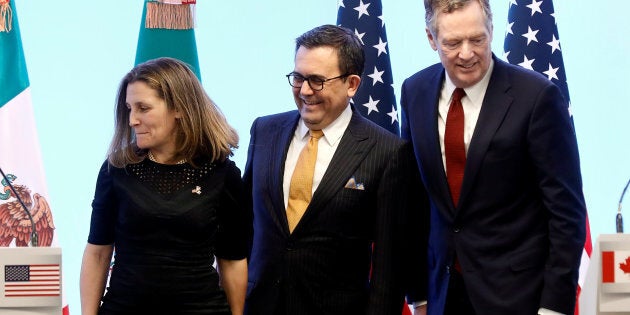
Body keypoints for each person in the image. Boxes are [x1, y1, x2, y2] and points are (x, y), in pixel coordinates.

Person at [400, 1, 587, 314]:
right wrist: (417, 293)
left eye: (477, 39)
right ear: (431, 39)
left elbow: (566, 213)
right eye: (452, 43)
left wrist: (554, 306)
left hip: (519, 296)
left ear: (491, 30)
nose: (467, 53)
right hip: (443, 295)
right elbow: (414, 199)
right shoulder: (414, 91)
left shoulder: (537, 97)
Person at [243, 24, 424, 315]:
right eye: (298, 77)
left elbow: (388, 269)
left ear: (352, 84)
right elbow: (244, 226)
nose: (304, 90)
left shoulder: (387, 152)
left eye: (316, 81)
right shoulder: (264, 131)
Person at [80, 57, 252, 315]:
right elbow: (98, 253)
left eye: (143, 108)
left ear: (179, 108)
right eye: (129, 108)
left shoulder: (222, 173)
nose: (132, 120)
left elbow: (231, 260)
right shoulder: (116, 169)